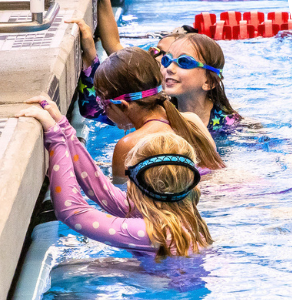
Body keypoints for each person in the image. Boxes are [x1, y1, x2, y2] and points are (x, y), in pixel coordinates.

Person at [18, 96, 212, 261]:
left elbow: (72, 212)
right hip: (167, 276)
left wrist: (55, 140)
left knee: (70, 271)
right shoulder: (171, 212)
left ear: (137, 183)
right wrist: (63, 127)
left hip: (166, 286)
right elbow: (101, 190)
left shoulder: (153, 231)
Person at [93, 48, 225, 180]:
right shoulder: (192, 120)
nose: (103, 111)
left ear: (123, 105)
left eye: (102, 104)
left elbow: (120, 191)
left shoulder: (129, 145)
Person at [162, 33, 243, 134]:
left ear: (209, 82)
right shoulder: (158, 116)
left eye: (184, 62)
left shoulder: (230, 125)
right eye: (166, 60)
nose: (169, 68)